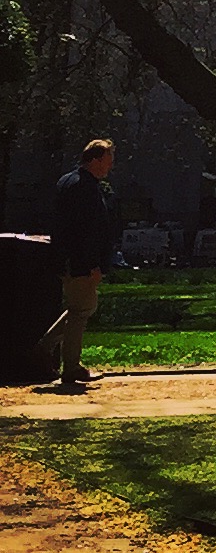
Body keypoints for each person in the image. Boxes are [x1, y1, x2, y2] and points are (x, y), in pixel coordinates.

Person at [49, 137, 121, 394]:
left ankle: (46, 350)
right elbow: (86, 231)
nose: (110, 166)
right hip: (80, 261)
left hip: (67, 259)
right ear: (96, 160)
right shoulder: (85, 188)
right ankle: (69, 366)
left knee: (79, 307)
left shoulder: (68, 182)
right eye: (108, 161)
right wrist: (92, 264)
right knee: (82, 309)